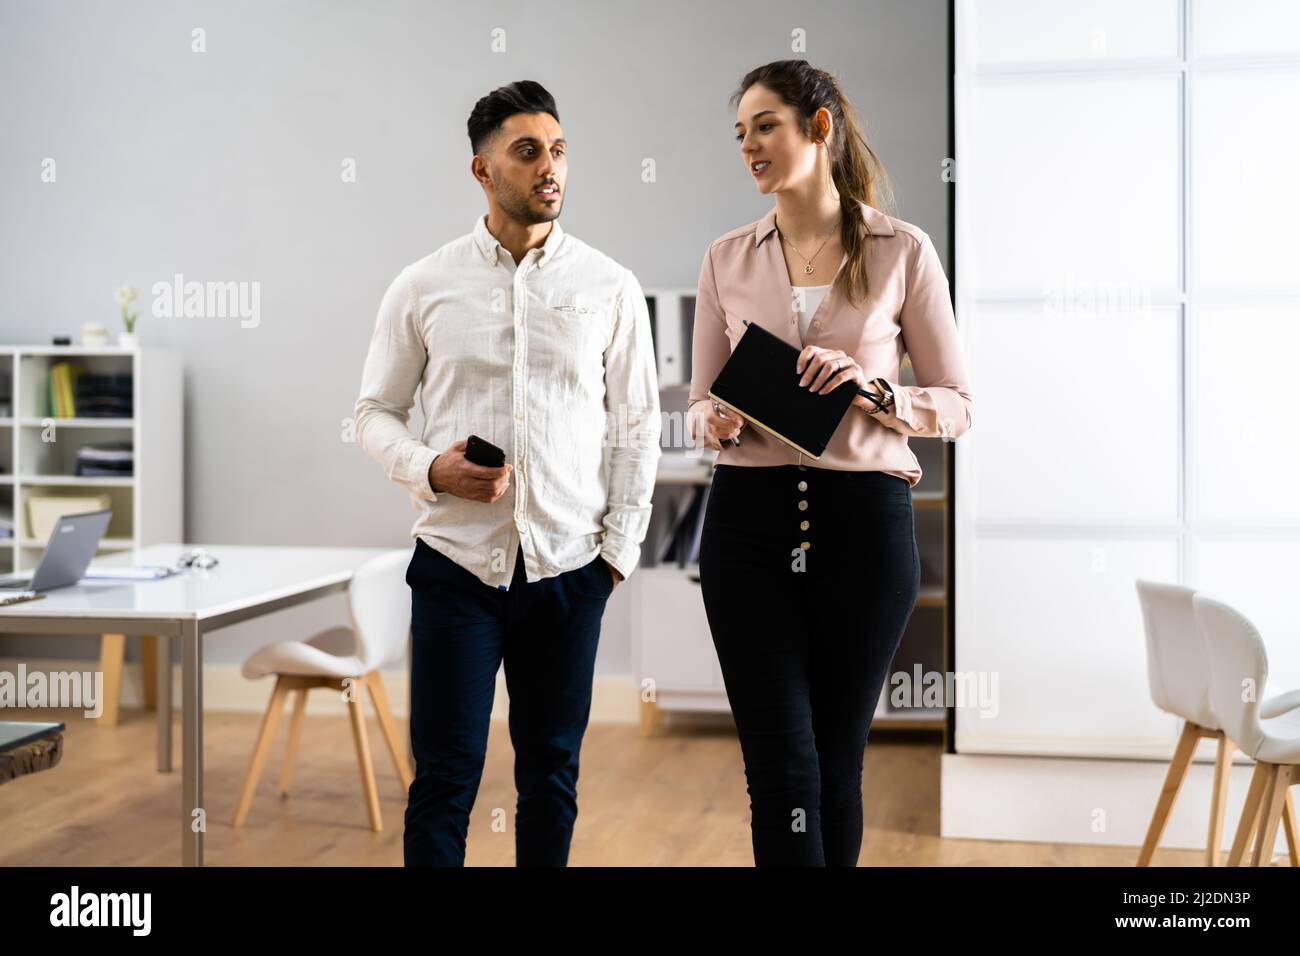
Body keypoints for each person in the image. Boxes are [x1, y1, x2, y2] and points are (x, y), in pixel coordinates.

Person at [354, 80, 661, 866]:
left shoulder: (610, 288)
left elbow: (635, 427)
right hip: (457, 568)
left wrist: (616, 555)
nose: (549, 167)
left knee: (552, 777)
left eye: (558, 151)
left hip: (569, 572)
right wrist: (432, 468)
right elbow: (374, 413)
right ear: (482, 171)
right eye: (527, 152)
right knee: (444, 780)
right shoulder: (423, 285)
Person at [687, 59, 974, 866]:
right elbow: (701, 403)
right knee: (780, 764)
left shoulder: (902, 250)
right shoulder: (724, 260)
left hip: (864, 528)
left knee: (835, 762)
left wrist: (874, 392)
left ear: (819, 128)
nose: (749, 145)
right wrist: (713, 417)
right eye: (740, 132)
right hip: (747, 526)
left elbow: (957, 404)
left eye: (766, 125)